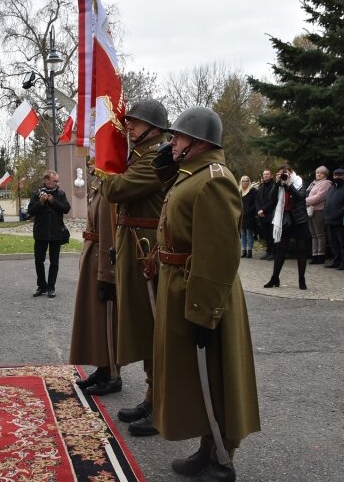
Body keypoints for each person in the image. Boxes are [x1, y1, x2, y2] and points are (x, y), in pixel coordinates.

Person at [152, 106, 260, 482]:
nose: (171, 142)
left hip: (203, 292)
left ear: (196, 143)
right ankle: (206, 446)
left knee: (215, 373)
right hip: (182, 284)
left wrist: (203, 310)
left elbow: (217, 254)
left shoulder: (214, 180)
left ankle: (223, 458)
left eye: (177, 137)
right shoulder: (191, 174)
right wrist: (165, 164)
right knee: (195, 377)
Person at [97, 99, 174, 436]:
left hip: (148, 251)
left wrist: (101, 164)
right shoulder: (141, 154)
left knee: (153, 327)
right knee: (144, 328)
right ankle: (151, 395)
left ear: (154, 128)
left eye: (136, 122)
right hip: (136, 246)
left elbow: (117, 188)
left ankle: (161, 404)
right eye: (129, 121)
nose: (129, 126)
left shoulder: (158, 156)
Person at [70, 159, 120, 396]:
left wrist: (107, 273)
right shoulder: (98, 184)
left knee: (106, 319)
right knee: (96, 319)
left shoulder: (110, 186)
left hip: (101, 257)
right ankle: (102, 367)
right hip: (93, 255)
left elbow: (109, 233)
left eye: (93, 157)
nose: (89, 162)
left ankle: (113, 373)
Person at [264, 165, 310, 290]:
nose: (283, 175)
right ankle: (274, 278)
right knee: (280, 250)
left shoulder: (300, 182)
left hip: (299, 220)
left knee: (301, 250)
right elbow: (272, 199)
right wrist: (277, 184)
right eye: (280, 173)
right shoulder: (279, 184)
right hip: (284, 220)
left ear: (291, 173)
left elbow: (300, 198)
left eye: (285, 173)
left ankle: (301, 279)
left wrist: (289, 185)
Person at [27, 170, 70, 298]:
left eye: (57, 181)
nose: (57, 183)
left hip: (56, 233)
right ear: (46, 180)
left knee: (54, 262)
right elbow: (30, 211)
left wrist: (53, 201)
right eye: (54, 181)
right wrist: (40, 202)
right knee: (39, 261)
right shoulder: (36, 193)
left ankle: (51, 287)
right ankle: (41, 286)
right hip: (41, 233)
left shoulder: (60, 193)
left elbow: (66, 209)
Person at [323, 168, 344, 269]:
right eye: (335, 175)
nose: (337, 177)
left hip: (340, 220)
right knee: (333, 242)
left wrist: (338, 214)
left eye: (339, 175)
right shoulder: (332, 188)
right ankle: (336, 260)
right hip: (329, 219)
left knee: (343, 243)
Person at [305, 166, 332, 264]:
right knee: (313, 235)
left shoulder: (326, 184)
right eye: (317, 173)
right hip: (310, 210)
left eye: (321, 173)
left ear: (325, 174)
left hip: (318, 210)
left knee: (320, 234)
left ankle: (321, 255)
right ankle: (314, 254)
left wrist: (304, 201)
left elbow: (319, 197)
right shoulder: (313, 184)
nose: (318, 174)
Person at [255, 169, 276, 260]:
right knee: (266, 235)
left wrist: (263, 210)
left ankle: (273, 253)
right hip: (261, 215)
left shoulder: (274, 186)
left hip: (270, 214)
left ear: (271, 176)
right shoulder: (261, 186)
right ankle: (268, 252)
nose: (265, 175)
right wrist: (259, 210)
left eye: (267, 174)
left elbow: (273, 201)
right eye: (264, 174)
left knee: (272, 235)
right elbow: (256, 200)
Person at [239, 176, 257, 258]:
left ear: (249, 182)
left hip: (250, 216)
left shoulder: (252, 191)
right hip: (242, 216)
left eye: (246, 181)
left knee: (249, 233)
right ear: (241, 182)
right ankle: (243, 251)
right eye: (243, 181)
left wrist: (249, 211)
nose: (245, 182)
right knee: (242, 234)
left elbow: (255, 203)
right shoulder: (239, 192)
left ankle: (249, 251)